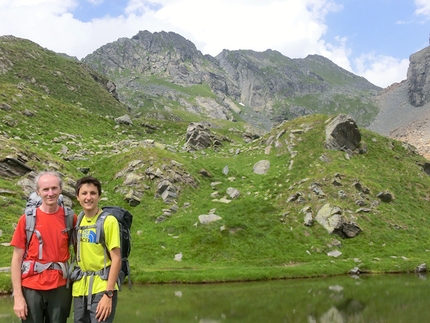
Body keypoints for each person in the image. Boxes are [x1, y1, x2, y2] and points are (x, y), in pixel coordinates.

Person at [10, 171, 77, 323]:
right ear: (38, 192)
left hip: (60, 287)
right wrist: (18, 297)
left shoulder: (70, 218)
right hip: (31, 286)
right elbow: (16, 260)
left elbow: (81, 250)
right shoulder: (26, 219)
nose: (50, 193)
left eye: (54, 188)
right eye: (45, 189)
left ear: (60, 190)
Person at [72, 176, 121, 323]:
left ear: (99, 196)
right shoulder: (78, 220)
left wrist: (108, 294)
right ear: (77, 197)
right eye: (84, 193)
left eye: (93, 193)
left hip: (102, 286)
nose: (88, 197)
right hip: (80, 287)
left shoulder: (109, 221)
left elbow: (117, 259)